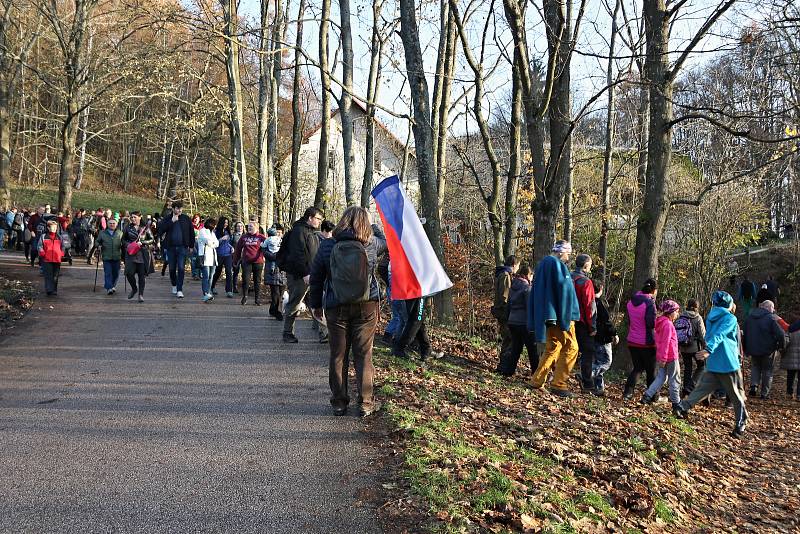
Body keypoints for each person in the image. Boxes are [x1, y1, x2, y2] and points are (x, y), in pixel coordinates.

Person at [309, 206, 387, 416]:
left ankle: (339, 403)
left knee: (338, 355)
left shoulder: (328, 245)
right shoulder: (372, 243)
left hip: (336, 306)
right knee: (363, 353)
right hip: (367, 305)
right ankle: (366, 403)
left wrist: (315, 305)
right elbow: (387, 243)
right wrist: (373, 225)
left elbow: (316, 278)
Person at [673, 291, 748, 438]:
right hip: (727, 362)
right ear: (728, 304)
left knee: (702, 388)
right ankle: (741, 422)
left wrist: (709, 350)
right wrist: (708, 349)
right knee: (735, 394)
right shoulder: (730, 318)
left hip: (714, 362)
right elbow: (720, 334)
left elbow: (710, 335)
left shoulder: (710, 317)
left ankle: (682, 407)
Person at [527, 240, 580, 397]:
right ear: (561, 252)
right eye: (568, 253)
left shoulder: (543, 264)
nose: (568, 257)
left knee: (553, 347)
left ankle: (537, 380)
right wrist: (566, 317)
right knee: (572, 347)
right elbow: (564, 292)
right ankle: (559, 384)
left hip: (550, 315)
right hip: (560, 316)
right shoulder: (557, 265)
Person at [281, 207, 324, 343]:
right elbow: (297, 254)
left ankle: (324, 333)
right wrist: (305, 273)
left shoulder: (312, 232)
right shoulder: (299, 231)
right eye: (318, 218)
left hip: (312, 274)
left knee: (315, 303)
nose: (319, 221)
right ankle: (288, 333)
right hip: (299, 275)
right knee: (295, 302)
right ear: (310, 218)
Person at [497, 264, 538, 377]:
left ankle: (508, 371)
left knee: (516, 348)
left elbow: (509, 305)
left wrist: (508, 319)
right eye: (532, 276)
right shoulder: (527, 289)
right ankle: (536, 374)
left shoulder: (513, 286)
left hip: (512, 321)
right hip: (524, 322)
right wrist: (533, 324)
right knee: (532, 350)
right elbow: (530, 307)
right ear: (528, 275)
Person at [742, 299, 787, 399]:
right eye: (772, 307)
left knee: (755, 367)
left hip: (753, 349)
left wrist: (745, 348)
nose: (773, 310)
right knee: (767, 370)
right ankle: (764, 393)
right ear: (767, 307)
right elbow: (781, 334)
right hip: (768, 350)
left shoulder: (749, 318)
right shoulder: (771, 318)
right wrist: (781, 347)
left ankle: (753, 386)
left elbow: (744, 334)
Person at [641, 300, 682, 409]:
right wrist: (663, 358)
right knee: (675, 379)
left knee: (661, 378)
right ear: (670, 312)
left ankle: (647, 396)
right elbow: (665, 342)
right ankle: (676, 404)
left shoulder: (660, 322)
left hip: (662, 356)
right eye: (676, 312)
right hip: (670, 356)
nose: (677, 314)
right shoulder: (668, 324)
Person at [623, 278, 658, 400]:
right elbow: (651, 324)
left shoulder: (631, 301)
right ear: (654, 290)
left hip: (632, 341)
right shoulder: (650, 303)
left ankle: (628, 393)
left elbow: (629, 320)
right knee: (651, 371)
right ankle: (652, 396)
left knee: (637, 368)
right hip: (647, 342)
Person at [157, 201, 195, 298]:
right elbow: (160, 230)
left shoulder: (186, 218)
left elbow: (191, 232)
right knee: (172, 268)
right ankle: (174, 284)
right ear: (173, 209)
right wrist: (171, 221)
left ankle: (179, 289)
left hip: (182, 247)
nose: (180, 210)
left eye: (181, 208)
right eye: (178, 208)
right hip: (170, 247)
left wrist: (191, 245)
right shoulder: (167, 218)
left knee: (181, 268)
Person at [571, 254, 597, 391]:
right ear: (586, 265)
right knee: (588, 351)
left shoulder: (568, 277)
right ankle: (587, 382)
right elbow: (589, 306)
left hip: (566, 319)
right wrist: (592, 326)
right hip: (581, 322)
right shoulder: (585, 282)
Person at [674, 299, 707, 396]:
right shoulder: (698, 318)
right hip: (695, 348)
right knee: (702, 366)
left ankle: (685, 389)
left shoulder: (680, 316)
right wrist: (706, 347)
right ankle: (690, 387)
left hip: (684, 348)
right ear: (697, 307)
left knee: (688, 368)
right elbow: (702, 335)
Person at [491, 255, 519, 373]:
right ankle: (504, 366)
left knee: (508, 339)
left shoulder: (502, 274)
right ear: (514, 265)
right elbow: (504, 296)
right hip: (504, 312)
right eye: (517, 266)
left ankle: (504, 365)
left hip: (501, 311)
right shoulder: (505, 276)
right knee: (509, 339)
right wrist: (508, 310)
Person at [592, 280, 618, 396]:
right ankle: (587, 374)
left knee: (598, 361)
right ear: (601, 289)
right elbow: (607, 321)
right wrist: (614, 333)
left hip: (593, 335)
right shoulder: (599, 303)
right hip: (603, 337)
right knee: (606, 362)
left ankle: (599, 388)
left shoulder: (589, 302)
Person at [122, 211, 154, 303]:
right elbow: (123, 239)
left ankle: (141, 294)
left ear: (140, 217)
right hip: (131, 253)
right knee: (129, 273)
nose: (133, 219)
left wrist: (142, 243)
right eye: (131, 217)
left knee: (142, 276)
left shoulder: (145, 228)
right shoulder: (128, 227)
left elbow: (151, 239)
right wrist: (128, 245)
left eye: (135, 217)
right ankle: (134, 289)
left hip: (142, 254)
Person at [232, 222, 266, 306]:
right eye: (248, 226)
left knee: (257, 281)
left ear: (256, 228)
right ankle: (245, 296)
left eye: (251, 226)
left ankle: (257, 299)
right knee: (246, 280)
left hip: (258, 262)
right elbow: (238, 249)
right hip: (246, 262)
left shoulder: (261, 237)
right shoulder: (244, 237)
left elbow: (268, 248)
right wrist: (235, 261)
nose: (249, 228)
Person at [263, 225, 287, 319]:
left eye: (279, 232)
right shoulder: (268, 243)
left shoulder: (284, 243)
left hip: (283, 270)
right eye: (276, 232)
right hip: (272, 270)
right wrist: (276, 256)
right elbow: (266, 253)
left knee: (281, 292)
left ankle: (273, 309)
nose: (277, 234)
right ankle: (277, 312)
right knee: (275, 292)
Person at [36, 219, 65, 296]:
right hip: (47, 259)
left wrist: (61, 253)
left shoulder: (59, 237)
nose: (54, 229)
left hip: (57, 259)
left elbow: (63, 247)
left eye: (55, 227)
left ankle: (54, 289)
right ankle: (49, 289)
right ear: (48, 228)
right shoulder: (43, 237)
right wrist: (42, 253)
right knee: (48, 275)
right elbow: (39, 246)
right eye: (52, 227)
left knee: (55, 276)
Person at [95, 217, 123, 295]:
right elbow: (97, 241)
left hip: (117, 256)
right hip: (106, 256)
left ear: (116, 224)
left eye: (113, 223)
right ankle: (109, 288)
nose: (112, 225)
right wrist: (98, 245)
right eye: (110, 223)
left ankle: (112, 285)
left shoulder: (120, 233)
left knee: (116, 273)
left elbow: (123, 243)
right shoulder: (102, 233)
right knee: (108, 272)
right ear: (107, 224)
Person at [211, 217, 235, 298]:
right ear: (221, 223)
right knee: (218, 271)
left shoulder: (228, 231)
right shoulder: (215, 232)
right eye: (225, 223)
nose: (226, 224)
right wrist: (221, 239)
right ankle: (212, 286)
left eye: (227, 223)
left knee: (229, 272)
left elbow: (228, 242)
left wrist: (231, 247)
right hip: (219, 254)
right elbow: (214, 243)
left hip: (228, 254)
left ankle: (229, 290)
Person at [196, 218, 219, 302]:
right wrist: (213, 243)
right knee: (206, 275)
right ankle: (205, 293)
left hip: (213, 256)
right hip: (205, 256)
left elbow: (217, 243)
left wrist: (213, 243)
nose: (215, 226)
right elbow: (208, 242)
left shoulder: (212, 233)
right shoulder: (202, 231)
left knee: (211, 276)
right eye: (215, 224)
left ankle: (208, 292)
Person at [781, 319, 800, 400]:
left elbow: (785, 342)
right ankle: (799, 395)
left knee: (790, 376)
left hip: (791, 356)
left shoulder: (790, 330)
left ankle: (789, 393)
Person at [230, 221, 245, 293]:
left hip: (245, 256)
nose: (240, 228)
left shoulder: (246, 235)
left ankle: (244, 287)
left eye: (241, 226)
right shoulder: (233, 235)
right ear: (236, 227)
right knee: (236, 271)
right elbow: (229, 244)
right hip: (236, 256)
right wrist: (232, 248)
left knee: (245, 272)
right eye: (238, 226)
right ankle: (234, 287)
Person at [190, 213, 203, 280]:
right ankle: (194, 274)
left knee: (200, 259)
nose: (195, 220)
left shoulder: (202, 226)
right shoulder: (190, 225)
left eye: (197, 218)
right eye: (194, 218)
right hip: (193, 244)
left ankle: (200, 274)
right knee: (193, 259)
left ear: (199, 219)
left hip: (201, 244)